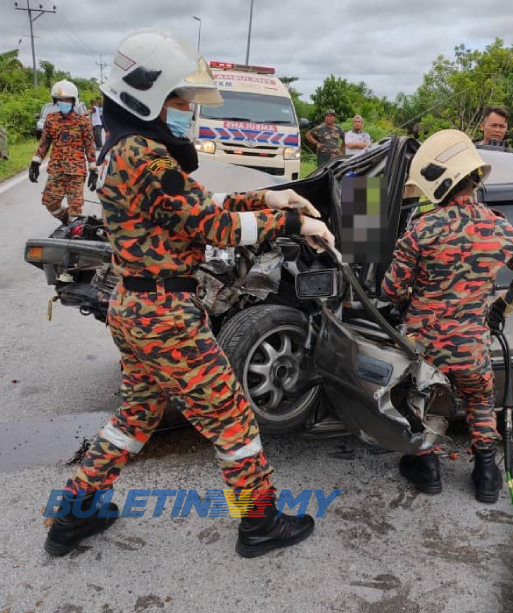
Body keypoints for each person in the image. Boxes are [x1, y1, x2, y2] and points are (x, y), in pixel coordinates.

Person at [42, 29, 336, 560]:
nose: (186, 110)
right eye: (179, 98)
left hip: (133, 307)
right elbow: (211, 225)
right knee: (234, 421)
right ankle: (260, 522)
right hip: (165, 315)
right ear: (147, 94)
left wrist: (269, 193)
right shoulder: (148, 157)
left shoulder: (128, 150)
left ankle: (73, 513)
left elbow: (195, 202)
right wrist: (292, 220)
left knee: (136, 416)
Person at [382, 129, 513, 503]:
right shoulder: (500, 226)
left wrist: (413, 297)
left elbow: (390, 290)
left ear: (438, 183)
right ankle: (487, 475)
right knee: (480, 401)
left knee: (419, 400)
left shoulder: (422, 229)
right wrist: (499, 307)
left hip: (425, 347)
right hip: (472, 345)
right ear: (474, 178)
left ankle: (427, 469)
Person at [28, 80, 97, 224]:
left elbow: (90, 147)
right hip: (56, 169)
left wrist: (93, 170)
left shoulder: (83, 122)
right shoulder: (51, 120)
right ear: (55, 101)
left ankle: (74, 229)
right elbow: (44, 143)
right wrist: (35, 163)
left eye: (67, 99)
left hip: (76, 171)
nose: (63, 102)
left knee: (75, 208)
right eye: (60, 100)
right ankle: (69, 223)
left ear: (73, 101)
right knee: (49, 202)